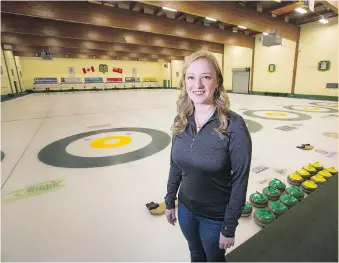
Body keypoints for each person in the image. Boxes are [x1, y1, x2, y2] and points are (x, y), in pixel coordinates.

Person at [164, 50, 252, 262]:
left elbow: (240, 181)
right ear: (184, 82)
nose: (198, 85)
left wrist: (229, 226)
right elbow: (175, 166)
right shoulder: (181, 120)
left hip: (215, 217)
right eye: (191, 77)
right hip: (185, 210)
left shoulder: (234, 126)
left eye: (206, 77)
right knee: (195, 254)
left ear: (217, 82)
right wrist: (169, 201)